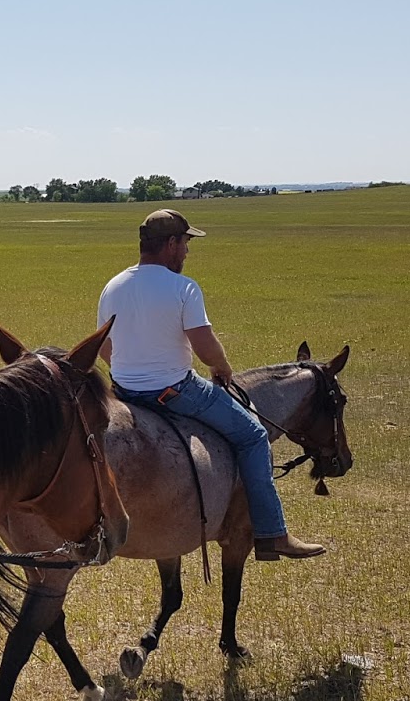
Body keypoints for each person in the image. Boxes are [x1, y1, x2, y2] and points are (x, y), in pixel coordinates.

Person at [97, 209, 326, 561]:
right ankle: (272, 532)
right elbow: (205, 346)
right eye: (186, 243)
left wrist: (131, 375)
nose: (187, 252)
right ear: (171, 244)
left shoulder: (113, 286)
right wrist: (222, 368)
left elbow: (106, 347)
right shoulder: (183, 288)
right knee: (254, 435)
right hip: (175, 390)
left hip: (124, 392)